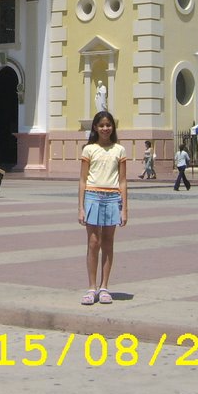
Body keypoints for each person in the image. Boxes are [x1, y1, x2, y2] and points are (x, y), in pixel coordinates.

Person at [78, 110, 127, 306]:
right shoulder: (89, 149)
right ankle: (91, 288)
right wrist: (80, 207)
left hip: (112, 197)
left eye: (108, 125)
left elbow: (123, 181)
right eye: (102, 125)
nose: (105, 128)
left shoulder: (119, 150)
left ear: (113, 127)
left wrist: (125, 209)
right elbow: (82, 180)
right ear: (95, 128)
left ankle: (104, 287)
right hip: (92, 196)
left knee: (108, 242)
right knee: (93, 242)